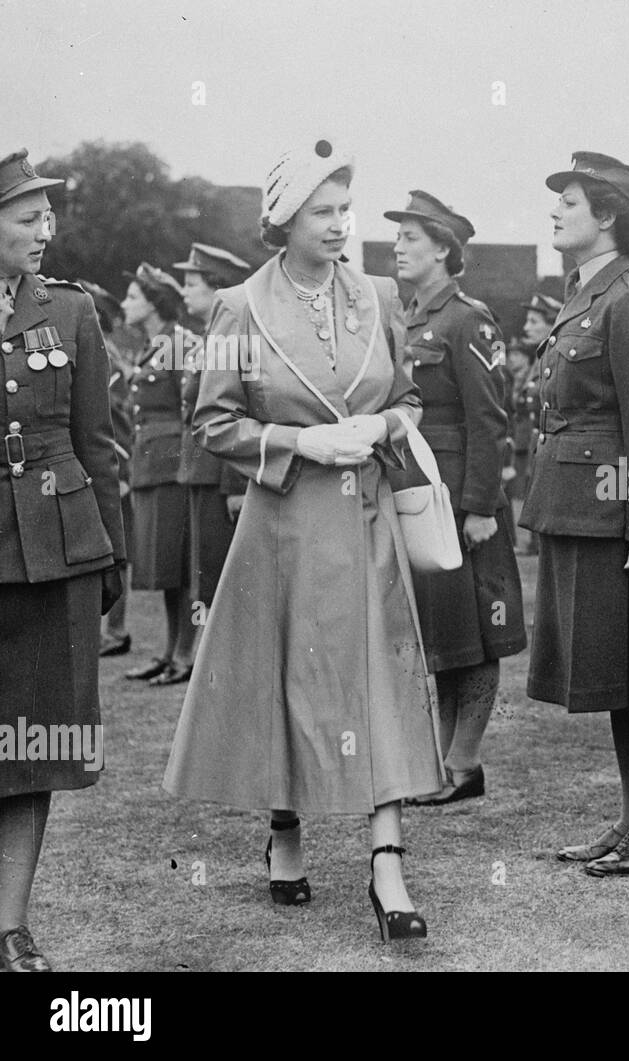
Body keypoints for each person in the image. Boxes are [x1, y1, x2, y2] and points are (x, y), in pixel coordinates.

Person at [164, 140, 440, 942]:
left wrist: (380, 424)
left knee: (378, 682)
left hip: (367, 523)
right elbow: (212, 421)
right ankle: (285, 829)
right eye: (322, 211)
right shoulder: (239, 307)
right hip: (283, 524)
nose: (340, 225)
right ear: (282, 221)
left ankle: (386, 858)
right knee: (290, 674)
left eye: (344, 210)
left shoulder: (380, 295)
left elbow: (413, 399)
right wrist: (298, 443)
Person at [521, 151, 629, 877]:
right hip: (580, 509)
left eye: (569, 200)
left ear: (607, 218)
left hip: (621, 514)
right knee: (614, 676)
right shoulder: (583, 294)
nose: (556, 209)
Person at [0, 150, 126, 971]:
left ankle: (10, 924)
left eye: (47, 216)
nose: (45, 231)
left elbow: (97, 441)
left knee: (34, 738)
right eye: (26, 218)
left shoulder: (73, 311)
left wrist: (109, 553)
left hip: (54, 546)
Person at [385, 190, 527, 806]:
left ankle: (464, 762)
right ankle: (443, 760)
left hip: (461, 498)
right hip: (419, 492)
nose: (397, 246)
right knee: (442, 628)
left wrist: (479, 508)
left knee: (478, 627)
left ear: (443, 249)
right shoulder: (410, 318)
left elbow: (489, 421)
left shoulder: (468, 318)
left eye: (411, 238)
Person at [120, 263, 195, 685]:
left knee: (181, 567)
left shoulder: (178, 344)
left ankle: (185, 653)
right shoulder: (157, 345)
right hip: (152, 464)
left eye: (132, 297)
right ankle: (169, 651)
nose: (126, 305)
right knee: (164, 565)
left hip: (172, 468)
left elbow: (190, 411)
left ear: (152, 304)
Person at [172, 244, 251, 616]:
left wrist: (235, 485)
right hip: (201, 473)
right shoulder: (207, 339)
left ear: (218, 290)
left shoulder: (232, 341)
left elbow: (241, 410)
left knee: (221, 584)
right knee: (204, 583)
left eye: (192, 283)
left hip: (222, 478)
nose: (183, 291)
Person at [82, 280, 135, 657]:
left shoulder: (108, 359)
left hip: (116, 468)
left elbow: (118, 422)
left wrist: (123, 475)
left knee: (118, 553)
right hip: (103, 466)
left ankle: (115, 632)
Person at [513, 293, 560, 556]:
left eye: (533, 321)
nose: (525, 327)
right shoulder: (540, 359)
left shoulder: (553, 359)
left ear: (550, 324)